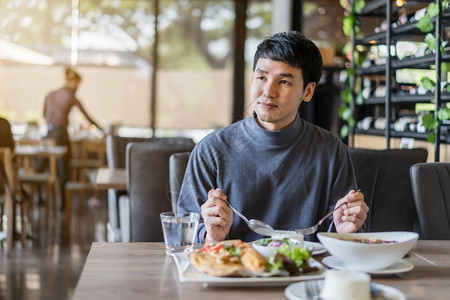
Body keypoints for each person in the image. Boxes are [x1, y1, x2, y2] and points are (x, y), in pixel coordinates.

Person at [177, 31, 369, 243]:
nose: (268, 91)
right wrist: (210, 235)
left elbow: (346, 232)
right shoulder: (211, 150)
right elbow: (181, 237)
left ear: (308, 91)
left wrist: (345, 231)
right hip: (236, 272)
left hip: (309, 272)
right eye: (261, 77)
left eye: (284, 81)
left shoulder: (331, 150)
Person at [42, 67, 102, 208]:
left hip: (47, 134)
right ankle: (63, 203)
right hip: (61, 135)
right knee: (64, 170)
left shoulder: (50, 94)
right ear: (73, 81)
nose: (78, 87)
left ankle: (39, 200)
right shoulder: (70, 96)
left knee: (42, 168)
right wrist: (100, 128)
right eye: (78, 84)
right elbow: (86, 115)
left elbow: (44, 115)